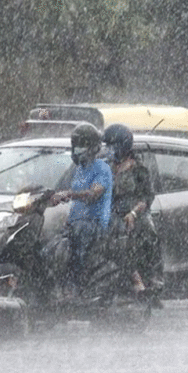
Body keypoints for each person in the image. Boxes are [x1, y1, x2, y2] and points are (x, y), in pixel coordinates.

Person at [102, 124, 163, 297]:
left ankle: (155, 278)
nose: (108, 150)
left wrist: (134, 213)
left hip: (135, 213)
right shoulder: (106, 168)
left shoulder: (139, 169)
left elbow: (146, 197)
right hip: (112, 213)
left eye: (112, 146)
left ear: (122, 146)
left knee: (150, 233)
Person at [51, 122, 113, 293]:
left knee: (76, 250)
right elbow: (64, 192)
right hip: (76, 223)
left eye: (82, 144)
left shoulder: (102, 168)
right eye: (76, 144)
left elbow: (94, 193)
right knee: (52, 248)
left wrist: (70, 194)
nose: (78, 149)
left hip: (94, 224)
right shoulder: (79, 169)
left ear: (93, 147)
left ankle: (76, 286)